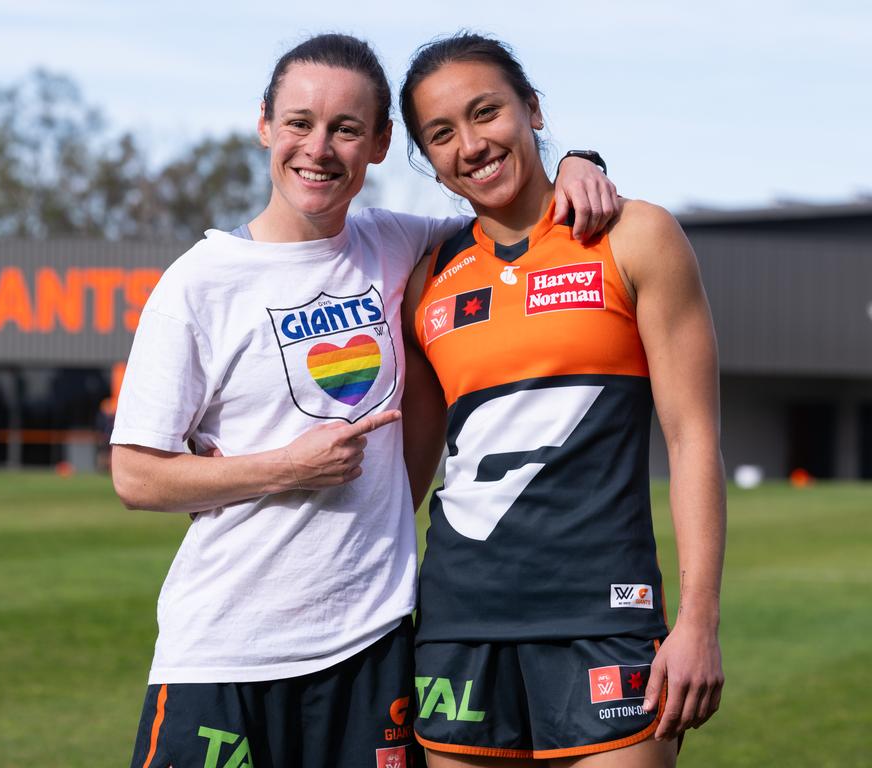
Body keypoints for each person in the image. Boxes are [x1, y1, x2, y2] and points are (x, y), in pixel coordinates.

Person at [110, 33, 616, 768]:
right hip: (224, 652)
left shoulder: (398, 244)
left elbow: (512, 207)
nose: (318, 148)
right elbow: (135, 475)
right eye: (299, 123)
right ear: (264, 126)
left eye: (346, 128)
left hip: (372, 647)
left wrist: (578, 159)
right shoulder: (199, 284)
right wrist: (284, 467)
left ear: (379, 144)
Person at [398, 34, 726, 767]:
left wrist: (698, 620)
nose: (472, 145)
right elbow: (405, 477)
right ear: (427, 157)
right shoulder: (427, 281)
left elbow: (694, 436)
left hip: (606, 619)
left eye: (487, 113)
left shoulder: (636, 237)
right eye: (442, 134)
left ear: (533, 109)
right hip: (458, 624)